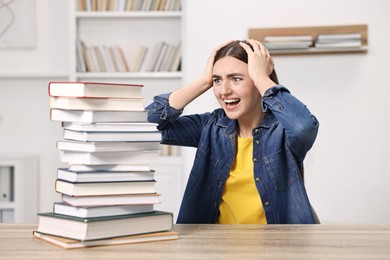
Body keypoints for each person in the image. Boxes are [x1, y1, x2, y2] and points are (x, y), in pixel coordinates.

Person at [146, 39, 319, 224]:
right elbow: (144, 125)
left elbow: (304, 127)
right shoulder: (212, 126)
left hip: (277, 248)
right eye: (217, 80)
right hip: (220, 249)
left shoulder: (283, 130)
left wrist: (261, 77)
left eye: (236, 79)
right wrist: (204, 81)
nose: (224, 91)